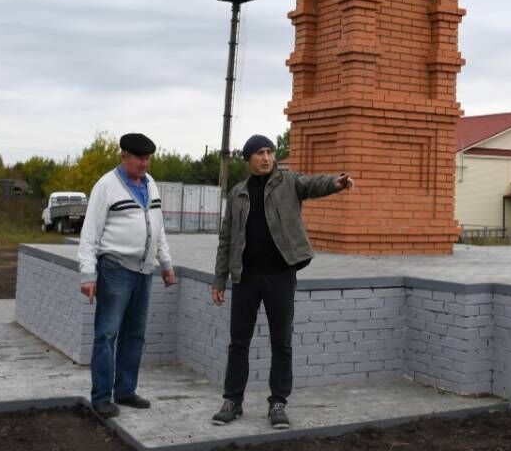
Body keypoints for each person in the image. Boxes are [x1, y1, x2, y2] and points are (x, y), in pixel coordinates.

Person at [210, 134, 354, 429]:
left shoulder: (288, 183)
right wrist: (219, 280)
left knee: (281, 342)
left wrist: (336, 183)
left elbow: (312, 184)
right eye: (259, 153)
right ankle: (232, 401)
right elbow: (226, 240)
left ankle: (278, 403)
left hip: (280, 275)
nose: (266, 158)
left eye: (269, 152)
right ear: (248, 158)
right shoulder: (237, 194)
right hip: (245, 277)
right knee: (238, 342)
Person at [78, 132, 176, 418]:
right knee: (107, 334)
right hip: (115, 269)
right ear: (124, 156)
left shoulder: (151, 185)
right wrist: (87, 274)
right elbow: (89, 233)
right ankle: (101, 397)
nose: (145, 164)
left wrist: (166, 264)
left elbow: (158, 229)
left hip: (145, 271)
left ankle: (125, 391)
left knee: (135, 334)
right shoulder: (106, 186)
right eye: (140, 158)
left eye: (148, 159)